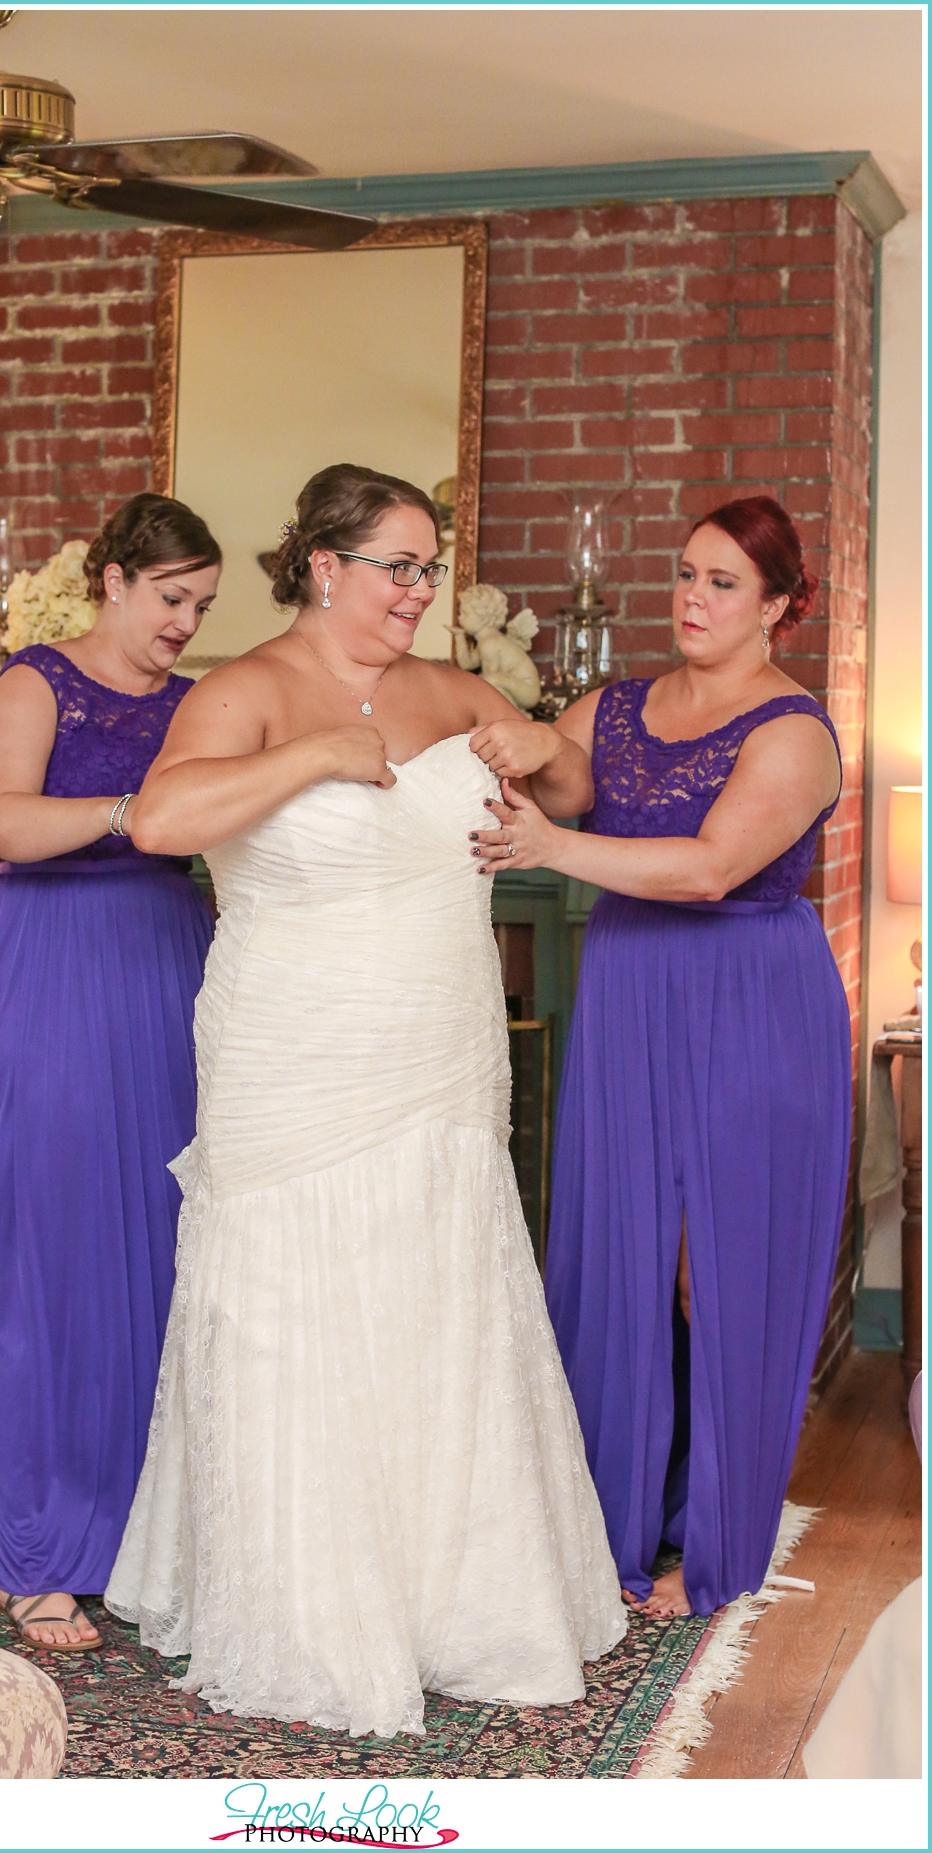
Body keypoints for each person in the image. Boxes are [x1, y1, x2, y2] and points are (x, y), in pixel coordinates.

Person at [103, 463, 626, 1737]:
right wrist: (318, 756)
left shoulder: (449, 685)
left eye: (431, 567)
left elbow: (571, 800)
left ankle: (456, 1591)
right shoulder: (244, 690)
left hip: (439, 1050)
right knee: (299, 1300)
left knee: (435, 1293)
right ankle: (305, 1601)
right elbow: (162, 819)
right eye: (400, 564)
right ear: (325, 565)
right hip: (294, 1052)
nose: (420, 589)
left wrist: (545, 744)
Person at [467, 495, 850, 1619]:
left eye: (724, 582)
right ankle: (609, 1524)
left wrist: (546, 841)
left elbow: (708, 868)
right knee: (619, 1248)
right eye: (686, 574)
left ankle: (713, 1541)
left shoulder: (795, 733)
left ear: (778, 606)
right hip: (631, 993)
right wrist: (522, 754)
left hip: (751, 1001)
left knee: (711, 1266)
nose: (692, 597)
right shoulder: (612, 705)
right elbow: (557, 778)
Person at [0, 494, 221, 1650]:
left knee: (166, 1245)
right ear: (112, 580)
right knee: (56, 1246)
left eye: (203, 605)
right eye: (172, 598)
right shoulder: (34, 684)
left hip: (169, 969)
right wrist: (139, 809)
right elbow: (5, 825)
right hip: (57, 973)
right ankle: (47, 1548)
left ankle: (147, 1530)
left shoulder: (198, 705)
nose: (184, 623)